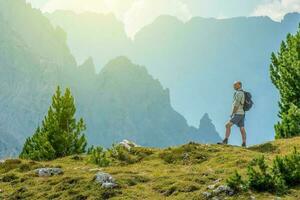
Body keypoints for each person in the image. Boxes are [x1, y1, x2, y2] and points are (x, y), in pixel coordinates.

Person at [221, 81, 247, 147]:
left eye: (235, 85)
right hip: (242, 113)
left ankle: (225, 140)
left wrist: (233, 113)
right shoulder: (241, 93)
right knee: (242, 128)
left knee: (227, 125)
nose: (234, 86)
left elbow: (236, 104)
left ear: (240, 85)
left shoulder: (239, 93)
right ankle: (244, 143)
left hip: (238, 113)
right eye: (233, 85)